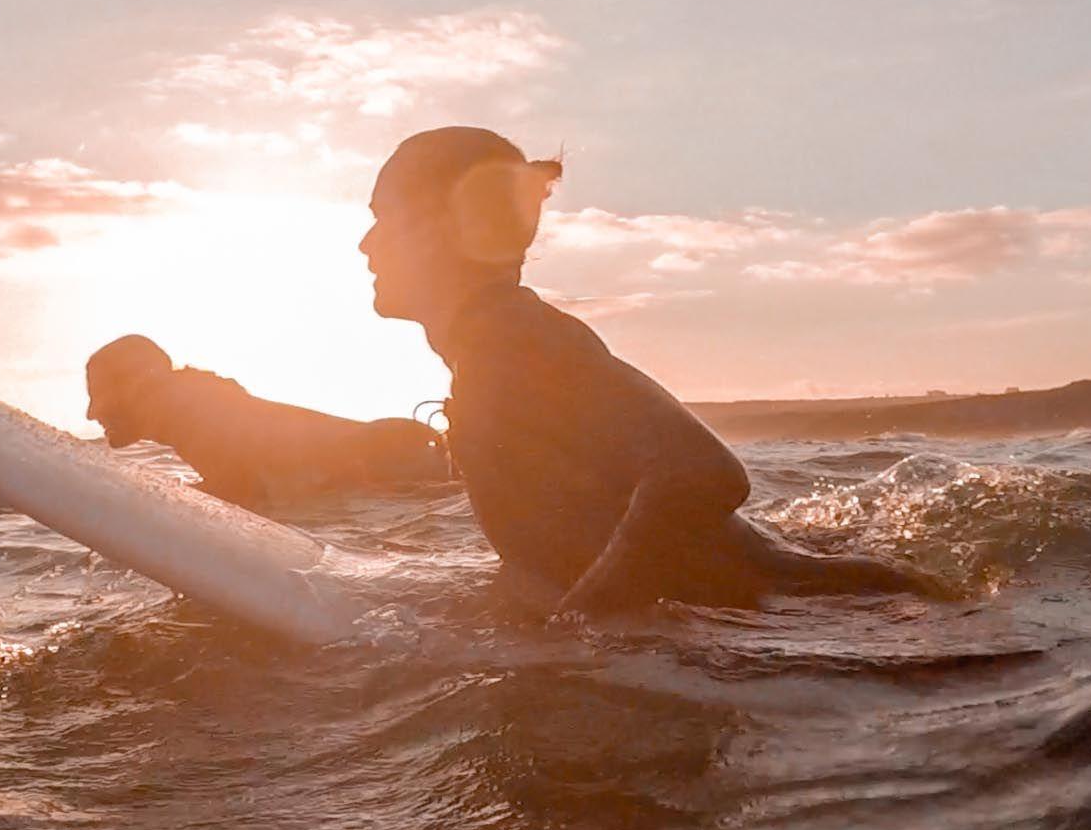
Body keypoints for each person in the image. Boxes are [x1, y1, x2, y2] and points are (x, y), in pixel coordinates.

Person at [358, 126, 962, 616]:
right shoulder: (496, 347)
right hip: (794, 607)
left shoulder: (510, 345)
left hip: (834, 616)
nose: (366, 244)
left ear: (444, 228)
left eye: (385, 218)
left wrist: (582, 622)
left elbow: (703, 472)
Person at [83, 333, 450, 509]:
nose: (91, 412)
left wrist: (142, 506)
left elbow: (241, 494)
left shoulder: (191, 410)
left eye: (97, 393)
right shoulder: (194, 402)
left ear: (139, 383)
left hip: (400, 464)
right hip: (405, 452)